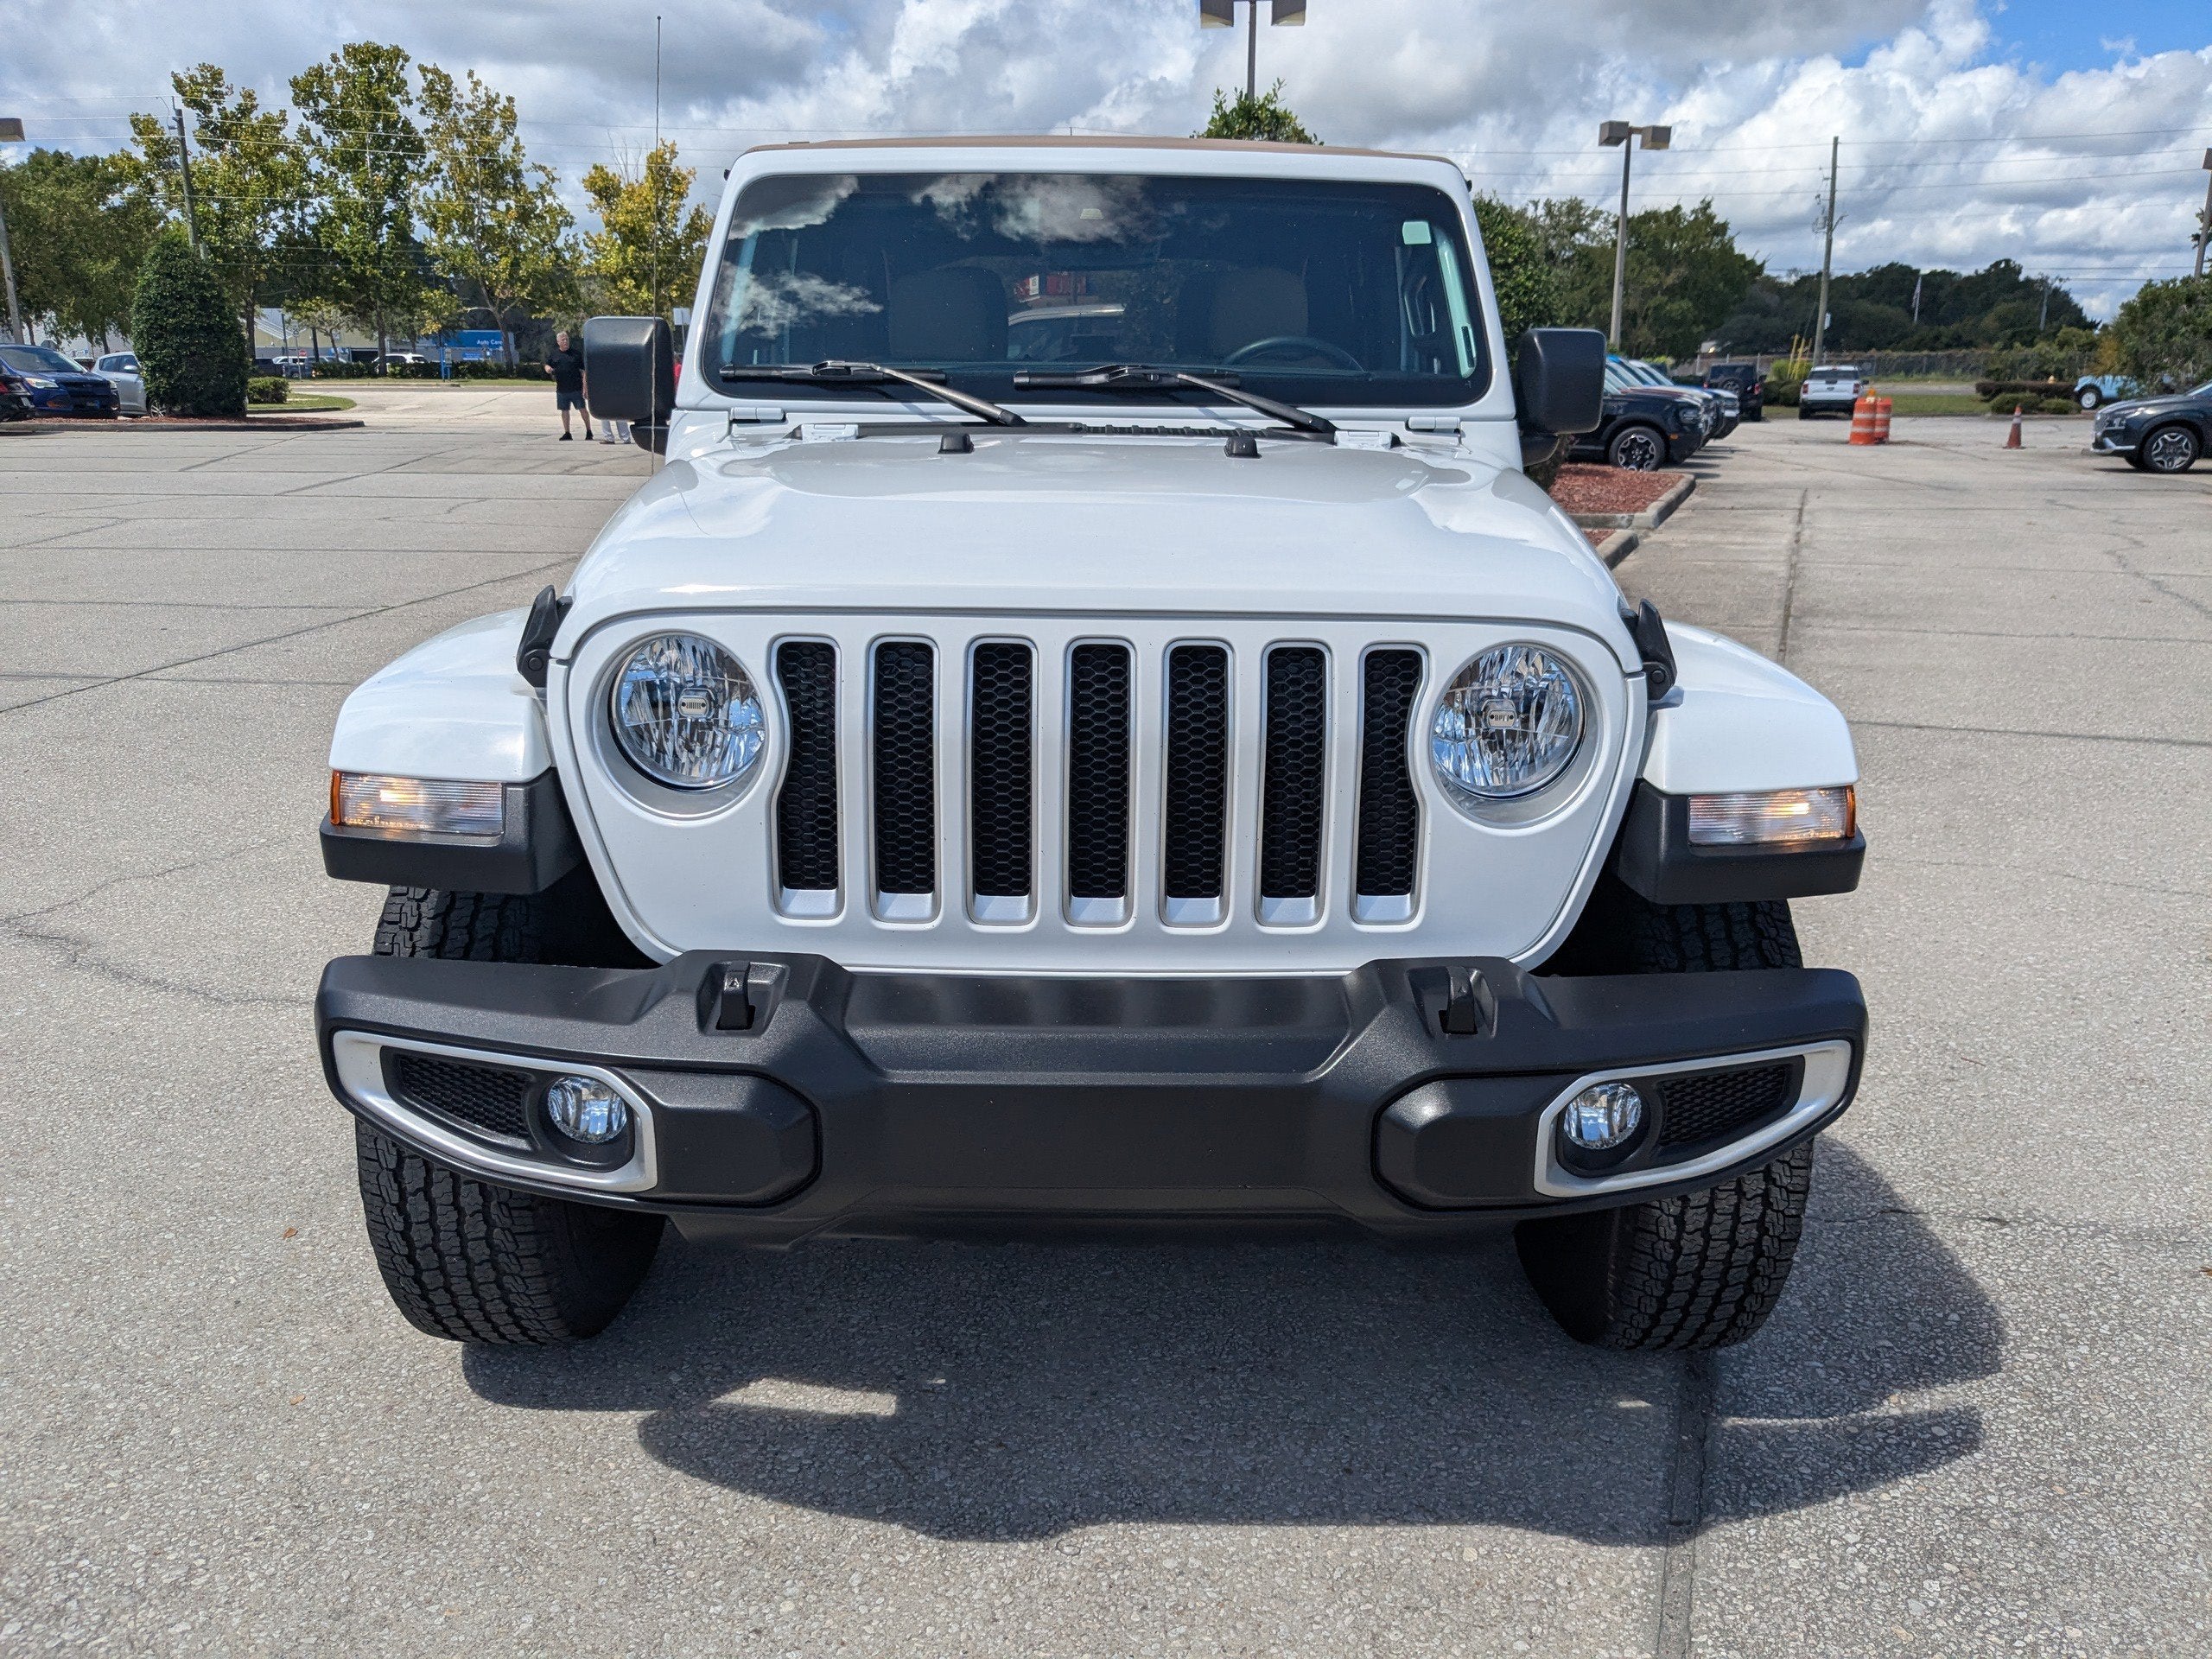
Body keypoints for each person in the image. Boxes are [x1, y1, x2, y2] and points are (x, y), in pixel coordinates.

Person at [543, 330, 591, 441]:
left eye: (567, 339)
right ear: (558, 342)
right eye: (563, 340)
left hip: (576, 388)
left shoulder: (576, 354)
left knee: (582, 409)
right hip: (561, 389)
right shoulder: (554, 354)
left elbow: (584, 371)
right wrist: (548, 369)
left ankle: (589, 431)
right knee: (564, 411)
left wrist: (585, 386)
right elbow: (547, 364)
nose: (566, 342)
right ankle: (567, 433)